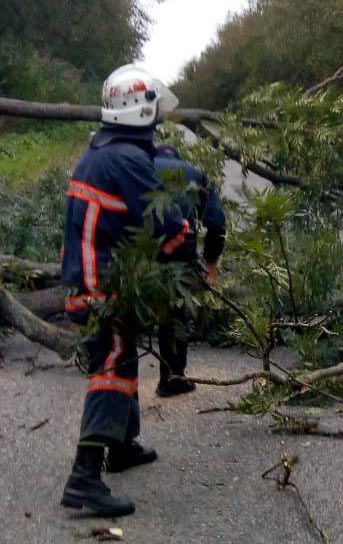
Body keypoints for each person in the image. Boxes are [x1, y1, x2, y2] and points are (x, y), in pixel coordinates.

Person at [59, 65, 190, 516]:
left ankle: (123, 445)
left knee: (125, 354)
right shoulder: (128, 160)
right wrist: (185, 246)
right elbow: (171, 227)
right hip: (103, 285)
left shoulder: (100, 151)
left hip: (89, 275)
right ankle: (84, 478)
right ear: (142, 113)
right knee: (113, 365)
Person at [152, 144, 226, 397]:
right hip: (177, 252)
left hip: (135, 250)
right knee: (174, 315)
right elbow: (217, 224)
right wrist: (211, 268)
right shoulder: (195, 173)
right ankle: (171, 379)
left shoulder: (137, 167)